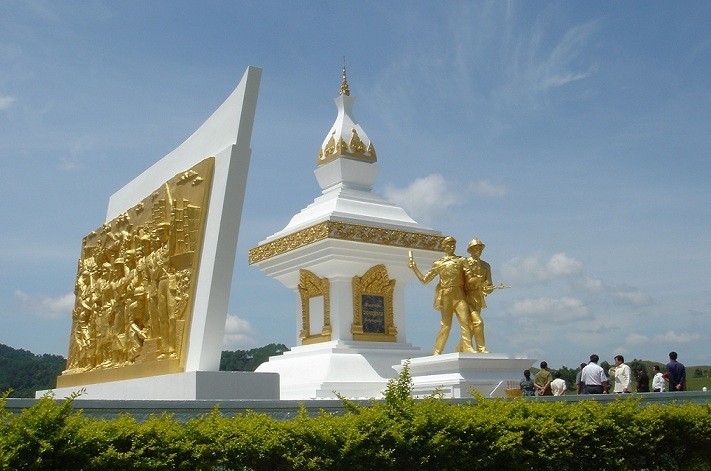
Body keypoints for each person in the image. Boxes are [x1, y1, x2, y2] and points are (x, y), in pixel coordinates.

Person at [409, 237, 476, 354]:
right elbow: (425, 280)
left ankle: (468, 347)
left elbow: (470, 278)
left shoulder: (461, 260)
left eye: (453, 245)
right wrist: (414, 268)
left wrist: (478, 282)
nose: (452, 247)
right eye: (449, 245)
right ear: (443, 247)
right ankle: (437, 351)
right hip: (446, 295)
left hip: (459, 294)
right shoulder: (438, 263)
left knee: (466, 322)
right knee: (446, 325)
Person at [461, 238, 493, 353]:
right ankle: (481, 348)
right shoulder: (464, 263)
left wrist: (487, 288)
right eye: (475, 248)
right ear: (470, 250)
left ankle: (462, 348)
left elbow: (489, 285)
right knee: (478, 322)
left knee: (471, 326)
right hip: (465, 297)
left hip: (478, 298)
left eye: (480, 248)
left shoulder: (486, 266)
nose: (478, 250)